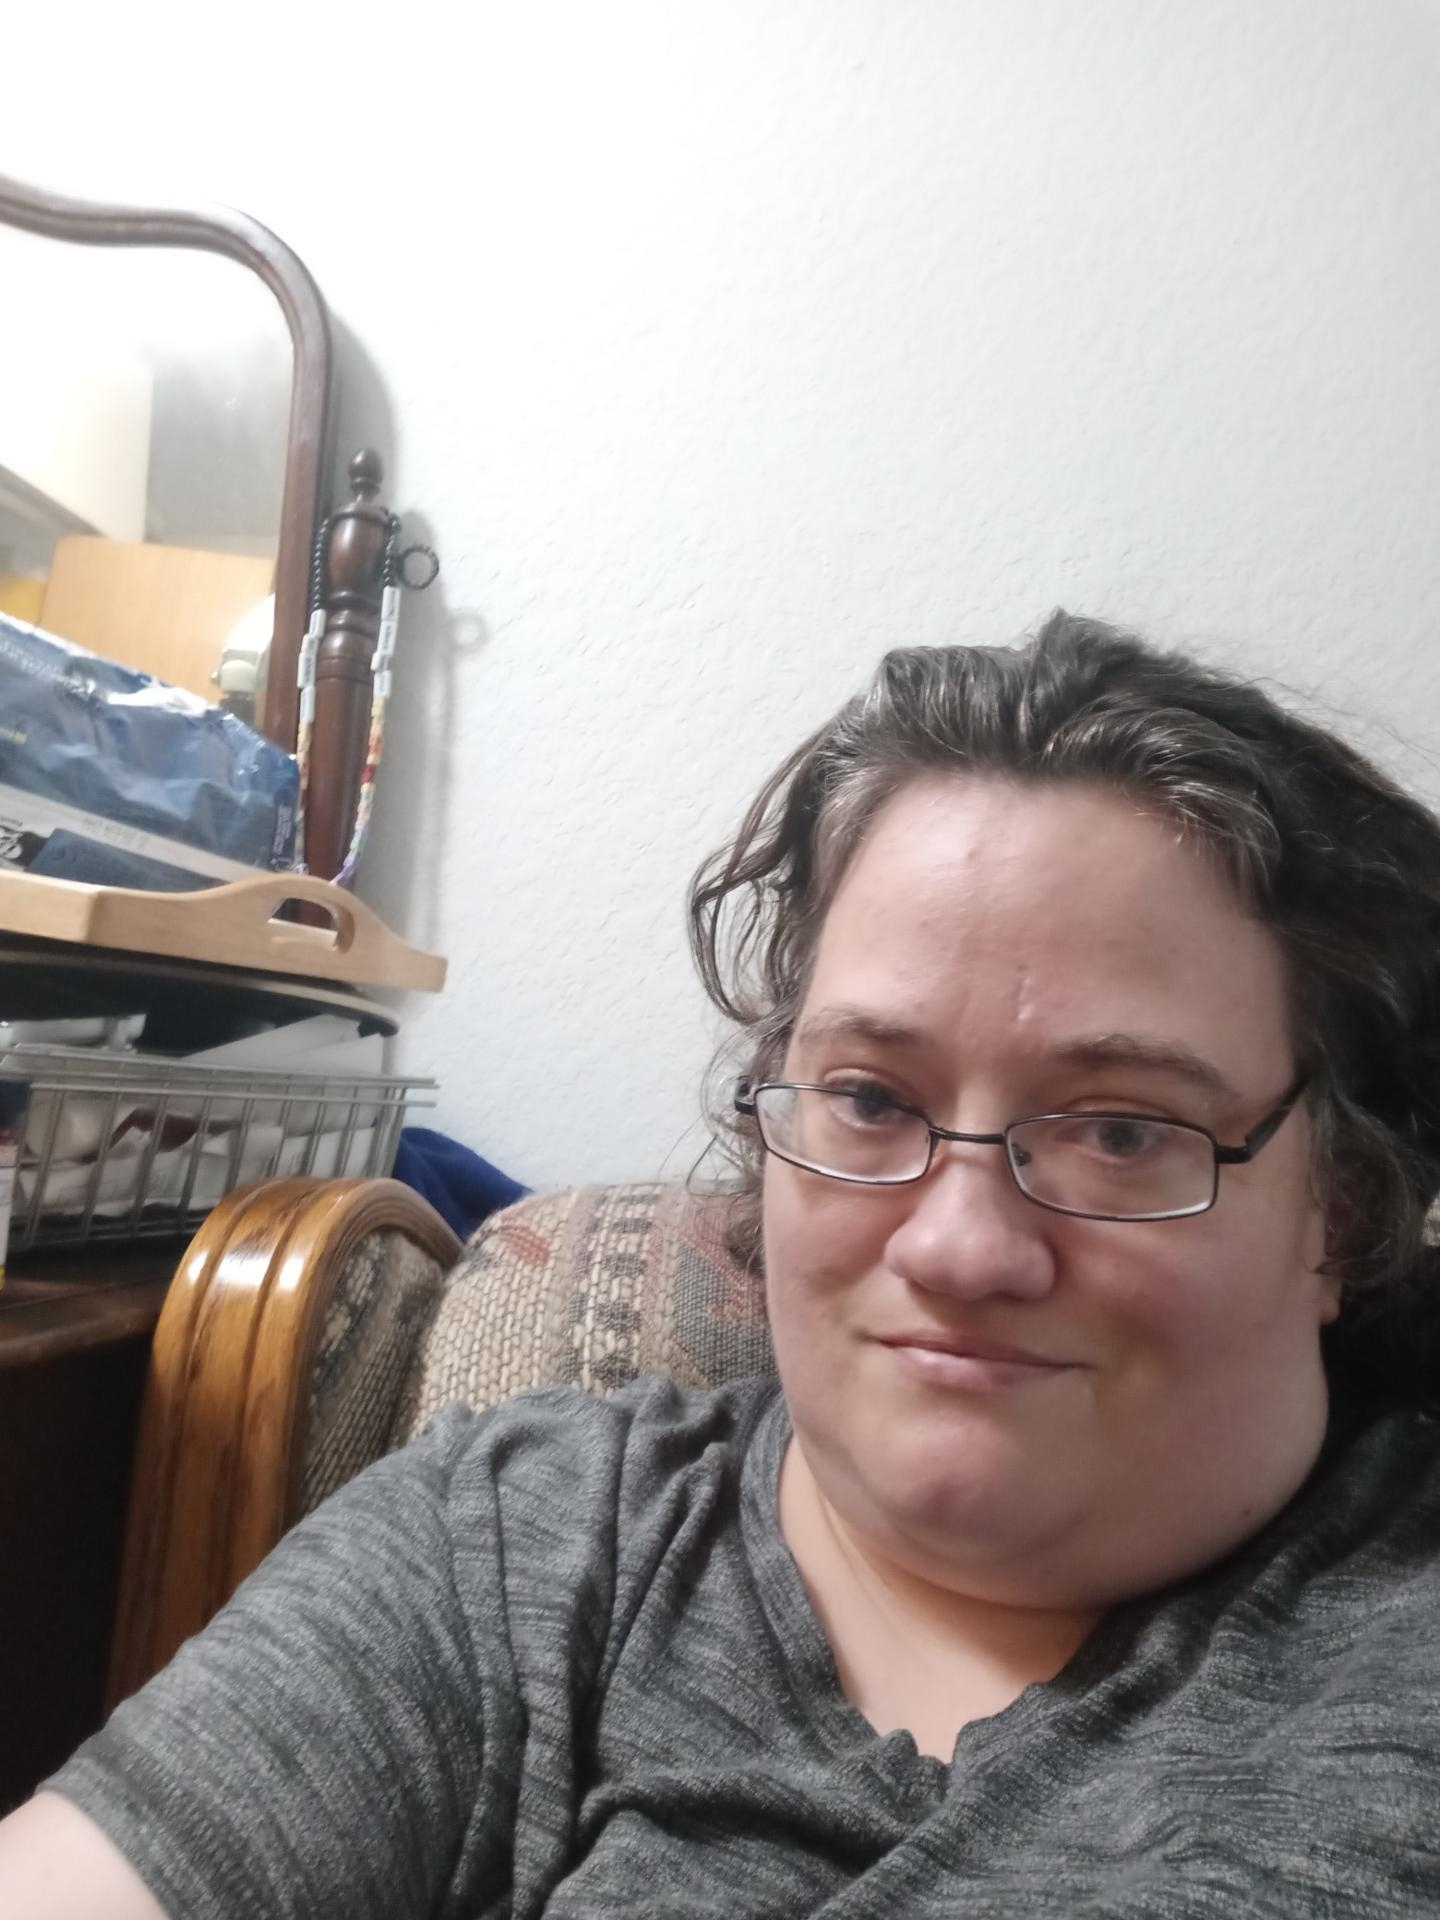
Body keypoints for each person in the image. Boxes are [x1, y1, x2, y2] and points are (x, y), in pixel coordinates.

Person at [4, 610, 1440, 1916]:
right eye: (870, 1098)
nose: (957, 1246)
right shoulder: (515, 1544)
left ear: (1348, 1203)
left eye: (1122, 1132)